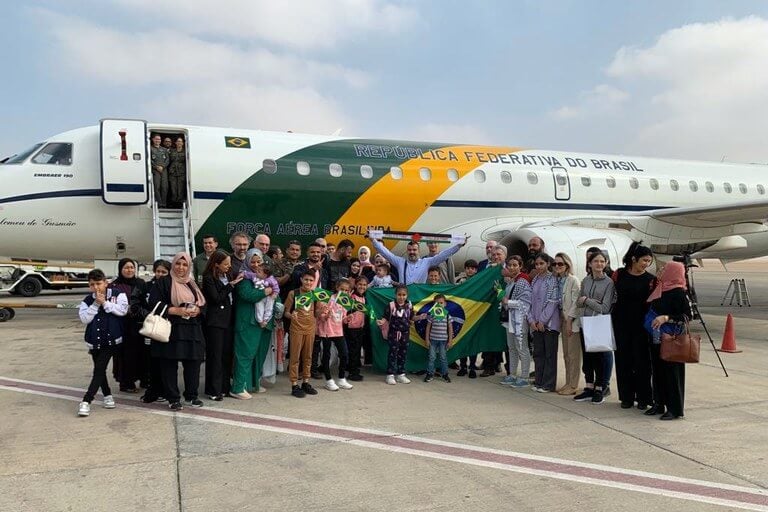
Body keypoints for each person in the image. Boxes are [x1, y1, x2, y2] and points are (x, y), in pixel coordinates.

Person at [147, 252, 207, 410]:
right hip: (171, 329)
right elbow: (153, 304)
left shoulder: (192, 284)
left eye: (185, 264)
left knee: (193, 363)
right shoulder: (164, 282)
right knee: (169, 365)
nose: (181, 268)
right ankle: (173, 398)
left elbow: (203, 304)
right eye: (178, 264)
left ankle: (191, 396)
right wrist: (175, 310)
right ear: (173, 265)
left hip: (192, 330)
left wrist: (197, 311)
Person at [77, 269, 129, 417]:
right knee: (100, 370)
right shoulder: (87, 300)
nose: (96, 287)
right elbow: (85, 319)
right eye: (92, 284)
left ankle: (86, 401)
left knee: (99, 369)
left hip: (111, 340)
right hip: (94, 340)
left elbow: (122, 311)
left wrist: (104, 303)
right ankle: (107, 396)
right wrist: (95, 304)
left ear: (106, 283)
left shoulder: (118, 294)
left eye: (99, 283)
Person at [613, 242, 656, 410]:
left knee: (642, 363)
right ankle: (626, 397)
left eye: (649, 261)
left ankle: (644, 397)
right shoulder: (620, 274)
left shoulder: (651, 280)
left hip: (641, 327)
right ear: (634, 259)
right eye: (644, 260)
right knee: (623, 361)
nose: (646, 264)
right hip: (621, 324)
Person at [646, 261, 691, 420]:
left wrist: (667, 318)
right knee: (657, 371)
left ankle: (674, 408)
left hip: (672, 338)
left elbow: (687, 316)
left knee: (672, 373)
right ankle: (659, 403)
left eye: (665, 269)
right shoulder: (660, 288)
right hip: (657, 337)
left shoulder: (679, 292)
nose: (662, 270)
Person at [574, 251, 616, 405]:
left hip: (599, 323)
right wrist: (587, 301)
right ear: (590, 263)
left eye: (602, 261)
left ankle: (600, 387)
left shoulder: (609, 282)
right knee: (588, 358)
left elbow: (604, 307)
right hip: (586, 322)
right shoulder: (585, 280)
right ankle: (589, 386)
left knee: (600, 358)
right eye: (596, 261)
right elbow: (579, 301)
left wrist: (587, 300)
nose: (599, 264)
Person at [230, 249, 274, 399]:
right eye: (253, 262)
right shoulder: (243, 277)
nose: (256, 265)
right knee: (245, 354)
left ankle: (253, 383)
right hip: (247, 322)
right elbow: (247, 295)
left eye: (258, 261)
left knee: (258, 354)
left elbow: (275, 293)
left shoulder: (266, 276)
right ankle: (238, 387)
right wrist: (265, 292)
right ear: (247, 261)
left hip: (262, 323)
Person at [202, 251, 243, 401]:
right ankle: (213, 389)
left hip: (229, 320)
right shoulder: (208, 278)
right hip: (215, 322)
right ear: (216, 264)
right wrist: (230, 286)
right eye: (225, 264)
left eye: (229, 263)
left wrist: (234, 281)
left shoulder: (228, 275)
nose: (228, 266)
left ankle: (224, 387)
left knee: (226, 355)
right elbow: (216, 298)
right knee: (215, 356)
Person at [135, 259, 171, 404]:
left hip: (165, 327)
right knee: (151, 361)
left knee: (165, 361)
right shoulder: (146, 286)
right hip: (150, 328)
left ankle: (164, 390)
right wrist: (148, 315)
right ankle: (153, 390)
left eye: (164, 272)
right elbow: (137, 303)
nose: (160, 274)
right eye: (158, 271)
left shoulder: (172, 286)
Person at [369, 232, 465, 285]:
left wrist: (458, 246)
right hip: (405, 297)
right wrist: (373, 240)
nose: (412, 252)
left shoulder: (426, 262)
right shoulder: (400, 262)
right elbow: (386, 253)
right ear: (407, 251)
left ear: (418, 251)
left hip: (420, 297)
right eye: (410, 250)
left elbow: (443, 255)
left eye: (414, 250)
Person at [284, 270, 320, 398]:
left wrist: (324, 311)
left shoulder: (315, 294)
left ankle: (306, 382)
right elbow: (286, 312)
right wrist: (291, 315)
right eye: (306, 280)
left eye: (311, 280)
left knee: (308, 357)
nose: (308, 282)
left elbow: (317, 313)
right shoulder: (293, 293)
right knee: (295, 357)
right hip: (297, 329)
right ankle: (294, 384)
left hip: (310, 329)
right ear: (301, 280)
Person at [528, 253, 560, 392]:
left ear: (548, 264)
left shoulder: (553, 280)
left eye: (542, 263)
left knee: (549, 355)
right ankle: (539, 381)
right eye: (537, 264)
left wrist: (542, 320)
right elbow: (529, 302)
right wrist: (531, 320)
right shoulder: (535, 280)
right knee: (538, 353)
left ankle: (548, 384)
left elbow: (552, 302)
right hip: (535, 324)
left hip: (549, 324)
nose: (539, 266)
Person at [499, 255, 532, 388]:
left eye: (515, 265)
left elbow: (525, 303)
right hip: (510, 318)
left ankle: (524, 376)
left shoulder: (523, 281)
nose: (512, 267)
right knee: (512, 348)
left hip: (520, 319)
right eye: (509, 265)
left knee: (522, 348)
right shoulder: (511, 281)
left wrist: (507, 302)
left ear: (520, 266)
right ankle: (512, 374)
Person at [317, 279, 353, 391]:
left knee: (344, 354)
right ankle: (328, 380)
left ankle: (341, 378)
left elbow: (342, 318)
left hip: (338, 331)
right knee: (326, 355)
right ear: (337, 287)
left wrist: (347, 319)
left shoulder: (345, 302)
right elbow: (320, 315)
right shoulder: (328, 298)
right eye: (342, 289)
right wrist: (324, 316)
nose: (344, 292)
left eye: (346, 290)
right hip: (327, 331)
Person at [377, 284, 415, 385]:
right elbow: (385, 317)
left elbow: (411, 318)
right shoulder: (391, 305)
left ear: (407, 295)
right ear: (395, 294)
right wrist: (382, 322)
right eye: (399, 294)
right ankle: (390, 374)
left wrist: (421, 317)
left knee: (403, 353)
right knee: (393, 353)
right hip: (393, 333)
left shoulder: (409, 305)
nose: (401, 297)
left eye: (404, 295)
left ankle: (401, 374)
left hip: (405, 333)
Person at [556, 253, 582, 395]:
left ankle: (573, 384)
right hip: (562, 319)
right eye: (555, 264)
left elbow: (576, 302)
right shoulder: (558, 280)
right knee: (566, 354)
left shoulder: (573, 280)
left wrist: (569, 321)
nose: (557, 266)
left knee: (573, 354)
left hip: (571, 321)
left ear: (567, 265)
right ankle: (568, 382)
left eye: (561, 264)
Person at [457, 259, 480, 378]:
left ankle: (472, 367)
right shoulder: (461, 281)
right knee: (463, 341)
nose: (470, 270)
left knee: (472, 342)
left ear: (476, 270)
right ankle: (463, 366)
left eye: (473, 268)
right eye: (468, 268)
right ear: (465, 269)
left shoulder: (479, 281)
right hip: (463, 314)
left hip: (475, 314)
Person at [424, 294, 453, 383]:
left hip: (443, 341)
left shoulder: (447, 315)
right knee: (431, 357)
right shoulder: (432, 315)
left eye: (441, 303)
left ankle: (445, 374)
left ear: (445, 304)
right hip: (433, 340)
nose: (439, 305)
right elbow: (428, 327)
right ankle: (430, 373)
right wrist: (427, 339)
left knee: (443, 357)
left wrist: (450, 341)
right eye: (437, 303)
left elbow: (450, 328)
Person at [344, 276, 368, 381]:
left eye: (364, 285)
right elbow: (346, 310)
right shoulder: (352, 297)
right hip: (351, 327)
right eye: (360, 284)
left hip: (360, 327)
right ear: (356, 285)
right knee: (353, 350)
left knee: (357, 350)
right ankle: (352, 372)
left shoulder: (364, 298)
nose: (362, 287)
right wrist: (354, 307)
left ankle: (353, 368)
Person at [245, 263, 280, 328]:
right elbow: (247, 274)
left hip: (269, 296)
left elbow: (276, 287)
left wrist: (275, 293)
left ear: (265, 275)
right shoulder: (254, 276)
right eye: (257, 270)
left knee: (269, 308)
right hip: (260, 296)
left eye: (259, 271)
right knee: (258, 307)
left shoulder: (271, 279)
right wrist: (241, 274)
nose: (256, 272)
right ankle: (260, 321)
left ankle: (266, 320)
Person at [150, 134, 169, 208]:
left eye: (159, 139)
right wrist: (156, 167)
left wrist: (163, 166)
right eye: (156, 139)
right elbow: (149, 160)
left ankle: (164, 203)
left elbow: (167, 160)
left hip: (164, 170)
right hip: (155, 170)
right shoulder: (150, 148)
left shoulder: (164, 149)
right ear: (153, 139)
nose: (158, 141)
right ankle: (159, 203)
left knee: (164, 187)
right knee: (156, 187)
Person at [168, 137, 187, 206]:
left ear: (183, 143)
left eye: (180, 141)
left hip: (181, 172)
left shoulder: (186, 151)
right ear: (175, 143)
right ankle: (173, 203)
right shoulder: (171, 151)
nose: (179, 143)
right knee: (173, 188)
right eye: (178, 141)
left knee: (180, 188)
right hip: (172, 172)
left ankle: (179, 203)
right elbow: (168, 160)